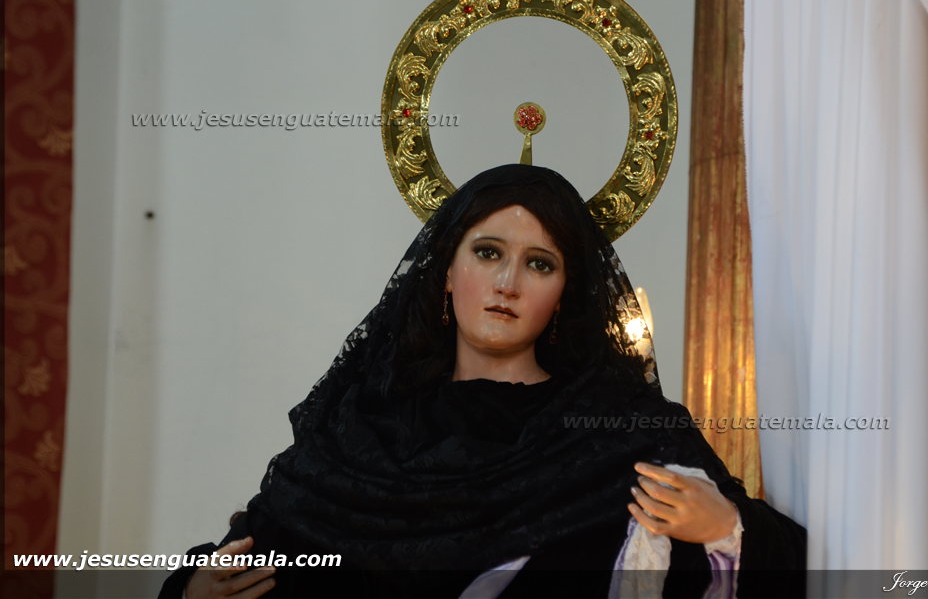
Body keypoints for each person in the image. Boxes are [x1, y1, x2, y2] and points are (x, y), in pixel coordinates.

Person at [161, 165, 805, 599]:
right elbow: (255, 555)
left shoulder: (626, 434)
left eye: (540, 264)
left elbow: (802, 570)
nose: (507, 283)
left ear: (566, 293)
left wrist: (728, 528)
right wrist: (191, 591)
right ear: (446, 269)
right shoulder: (358, 431)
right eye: (488, 252)